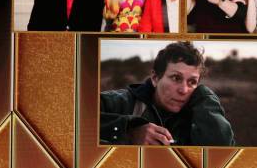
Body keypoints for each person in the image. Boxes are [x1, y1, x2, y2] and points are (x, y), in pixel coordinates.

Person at [100, 42, 235, 146]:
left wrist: (205, 95)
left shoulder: (199, 114)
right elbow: (79, 119)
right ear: (155, 78)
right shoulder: (123, 102)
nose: (183, 90)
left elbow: (222, 154)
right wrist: (128, 130)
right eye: (176, 78)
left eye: (192, 82)